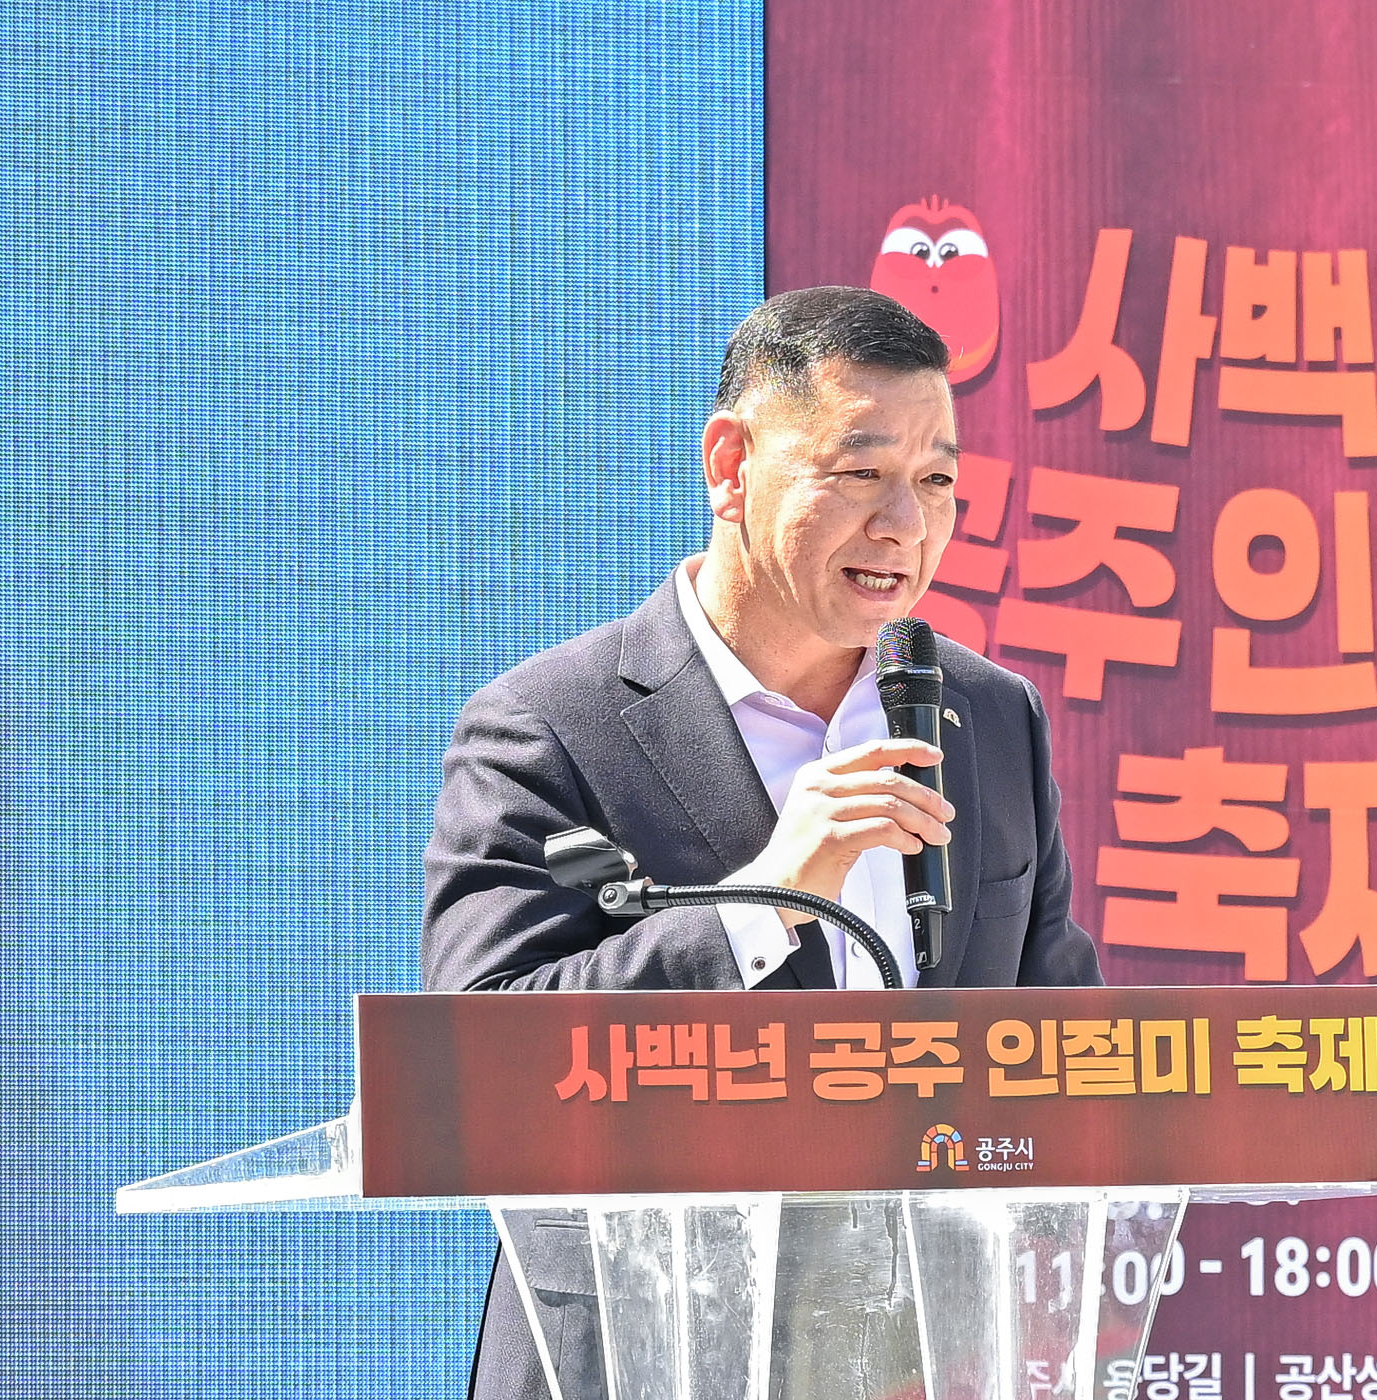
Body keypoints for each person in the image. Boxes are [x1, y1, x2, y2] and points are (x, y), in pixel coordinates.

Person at [420, 285, 1102, 1399]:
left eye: (937, 482)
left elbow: (1065, 1046)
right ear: (731, 465)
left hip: (917, 1365)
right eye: (860, 472)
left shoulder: (988, 717)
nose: (905, 525)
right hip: (643, 1358)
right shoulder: (549, 726)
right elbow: (476, 1057)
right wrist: (766, 898)